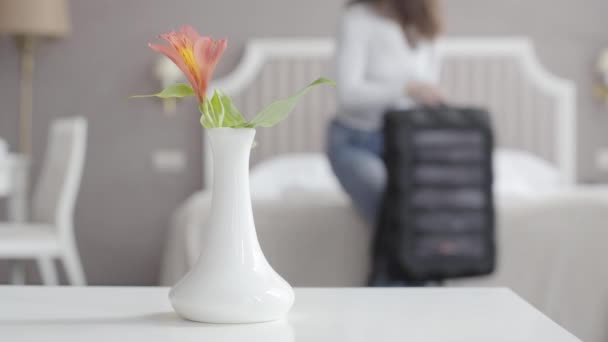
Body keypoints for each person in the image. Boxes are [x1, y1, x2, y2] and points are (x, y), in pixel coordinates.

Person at [327, 0, 444, 224]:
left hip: (405, 138)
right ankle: (398, 257)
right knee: (390, 198)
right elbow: (348, 95)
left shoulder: (425, 23)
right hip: (356, 141)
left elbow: (429, 82)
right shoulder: (358, 19)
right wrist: (407, 88)